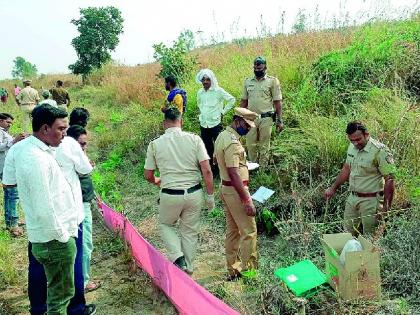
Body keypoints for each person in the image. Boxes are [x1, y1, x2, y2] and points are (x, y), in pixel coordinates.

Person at [2, 105, 77, 314]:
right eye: (61, 129)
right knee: (60, 297)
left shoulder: (21, 148)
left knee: (54, 290)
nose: (64, 134)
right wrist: (63, 236)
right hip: (53, 239)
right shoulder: (36, 159)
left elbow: (8, 182)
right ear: (45, 129)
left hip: (42, 235)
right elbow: (44, 207)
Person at [144, 107, 214, 274]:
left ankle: (177, 256)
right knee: (189, 232)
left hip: (170, 194)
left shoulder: (155, 144)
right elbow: (207, 170)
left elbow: (148, 175)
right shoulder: (195, 139)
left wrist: (157, 181)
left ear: (164, 124)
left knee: (165, 224)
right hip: (194, 193)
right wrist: (210, 196)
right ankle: (188, 269)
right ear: (181, 121)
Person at [324, 121, 396, 236]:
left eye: (358, 139)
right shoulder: (352, 147)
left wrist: (387, 207)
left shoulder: (380, 150)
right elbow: (346, 169)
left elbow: (390, 179)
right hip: (352, 198)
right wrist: (333, 188)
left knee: (372, 238)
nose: (355, 143)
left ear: (366, 134)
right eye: (351, 140)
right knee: (347, 235)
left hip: (371, 201)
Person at [214, 107, 259, 281]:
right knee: (249, 231)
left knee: (233, 231)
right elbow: (233, 173)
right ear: (237, 120)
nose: (248, 129)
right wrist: (246, 199)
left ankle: (233, 269)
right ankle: (250, 271)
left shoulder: (222, 136)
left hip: (227, 189)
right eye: (246, 126)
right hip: (235, 191)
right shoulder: (233, 142)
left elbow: (220, 163)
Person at [67, 124, 100, 293]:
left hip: (82, 203)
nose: (84, 147)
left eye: (85, 144)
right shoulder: (70, 155)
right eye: (81, 144)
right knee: (85, 244)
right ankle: (83, 282)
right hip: (77, 206)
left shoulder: (75, 154)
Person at [240, 56, 284, 166]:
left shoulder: (272, 81)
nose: (257, 71)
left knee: (264, 145)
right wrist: (240, 118)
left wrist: (280, 120)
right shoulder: (247, 81)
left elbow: (277, 102)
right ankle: (253, 168)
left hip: (266, 118)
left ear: (265, 68)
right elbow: (244, 101)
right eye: (255, 68)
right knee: (251, 145)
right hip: (250, 118)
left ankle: (263, 170)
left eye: (260, 69)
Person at [196, 69, 235, 175]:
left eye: (207, 80)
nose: (205, 82)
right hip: (204, 124)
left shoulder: (218, 91)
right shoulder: (200, 92)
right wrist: (203, 114)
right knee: (207, 147)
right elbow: (199, 104)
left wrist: (222, 112)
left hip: (215, 124)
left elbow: (232, 100)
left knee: (219, 148)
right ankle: (213, 172)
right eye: (203, 80)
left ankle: (223, 170)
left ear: (211, 80)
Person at [0, 113, 26, 237]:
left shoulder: (4, 132)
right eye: (8, 122)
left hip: (7, 166)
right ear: (0, 121)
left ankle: (11, 220)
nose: (10, 125)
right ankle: (13, 224)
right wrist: (14, 141)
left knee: (10, 194)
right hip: (4, 167)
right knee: (12, 194)